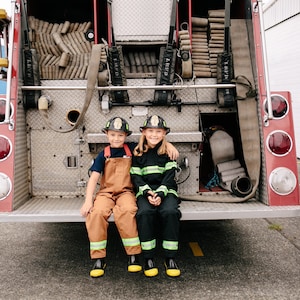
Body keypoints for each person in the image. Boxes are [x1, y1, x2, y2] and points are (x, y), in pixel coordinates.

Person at [80, 116, 178, 277]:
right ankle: (99, 259)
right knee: (96, 214)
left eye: (120, 135)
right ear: (106, 135)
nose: (116, 138)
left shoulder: (132, 148)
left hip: (126, 192)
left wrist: (169, 144)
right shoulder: (102, 155)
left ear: (126, 136)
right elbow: (94, 178)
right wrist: (88, 201)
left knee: (129, 211)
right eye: (112, 135)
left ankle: (133, 256)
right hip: (106, 193)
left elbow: (152, 141)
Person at [130, 115, 181, 278]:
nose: (154, 135)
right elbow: (136, 177)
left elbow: (169, 176)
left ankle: (170, 258)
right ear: (144, 132)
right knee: (144, 213)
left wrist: (159, 193)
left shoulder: (168, 152)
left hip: (166, 191)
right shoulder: (137, 152)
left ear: (164, 133)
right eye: (150, 131)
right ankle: (148, 258)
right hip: (145, 191)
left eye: (158, 131)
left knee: (170, 212)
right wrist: (147, 193)